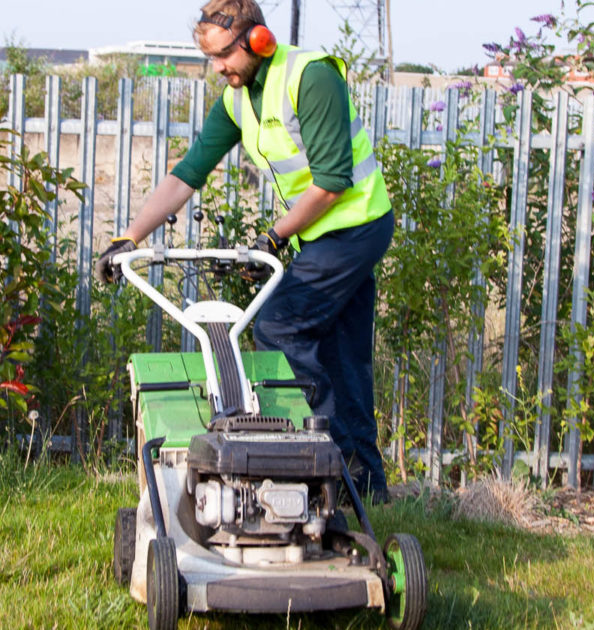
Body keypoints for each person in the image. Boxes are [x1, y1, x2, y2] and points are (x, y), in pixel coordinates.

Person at [95, 0, 394, 502]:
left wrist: (274, 237)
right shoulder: (238, 98)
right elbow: (187, 173)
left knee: (281, 323)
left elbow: (333, 183)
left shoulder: (310, 78)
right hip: (321, 235)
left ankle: (317, 461)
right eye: (210, 59)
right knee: (344, 354)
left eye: (223, 57)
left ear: (258, 40)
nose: (218, 69)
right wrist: (130, 237)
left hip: (356, 226)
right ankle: (364, 483)